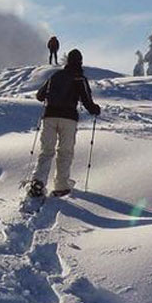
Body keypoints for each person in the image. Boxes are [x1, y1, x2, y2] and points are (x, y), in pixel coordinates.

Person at [29, 49, 100, 198]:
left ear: (68, 61)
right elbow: (87, 100)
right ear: (80, 62)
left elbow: (40, 96)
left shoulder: (55, 76)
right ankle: (61, 185)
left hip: (49, 116)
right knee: (65, 152)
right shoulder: (79, 78)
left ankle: (38, 181)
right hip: (68, 118)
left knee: (46, 150)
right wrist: (95, 109)